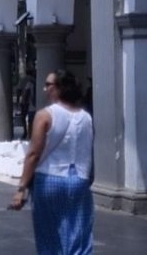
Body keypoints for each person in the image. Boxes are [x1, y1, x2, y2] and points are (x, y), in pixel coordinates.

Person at [9, 70, 94, 254]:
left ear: (60, 88)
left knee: (49, 236)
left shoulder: (45, 115)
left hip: (50, 178)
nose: (45, 88)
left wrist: (21, 188)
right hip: (79, 180)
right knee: (79, 235)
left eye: (48, 85)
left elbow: (33, 154)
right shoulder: (86, 117)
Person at [18, 71, 37, 141]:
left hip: (27, 103)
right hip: (34, 103)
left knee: (24, 118)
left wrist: (21, 101)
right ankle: (31, 134)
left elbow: (21, 90)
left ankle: (26, 133)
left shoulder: (25, 81)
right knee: (32, 120)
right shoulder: (36, 81)